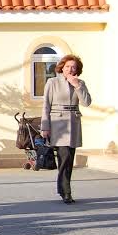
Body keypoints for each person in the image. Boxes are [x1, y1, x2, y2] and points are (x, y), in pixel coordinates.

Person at [41, 55, 92, 204]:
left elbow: (87, 102)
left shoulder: (80, 83)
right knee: (64, 157)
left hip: (74, 122)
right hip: (58, 123)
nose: (70, 69)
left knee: (69, 158)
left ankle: (62, 188)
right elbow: (46, 105)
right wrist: (45, 126)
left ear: (77, 69)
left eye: (73, 67)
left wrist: (77, 85)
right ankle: (66, 191)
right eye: (68, 66)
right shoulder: (52, 82)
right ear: (62, 67)